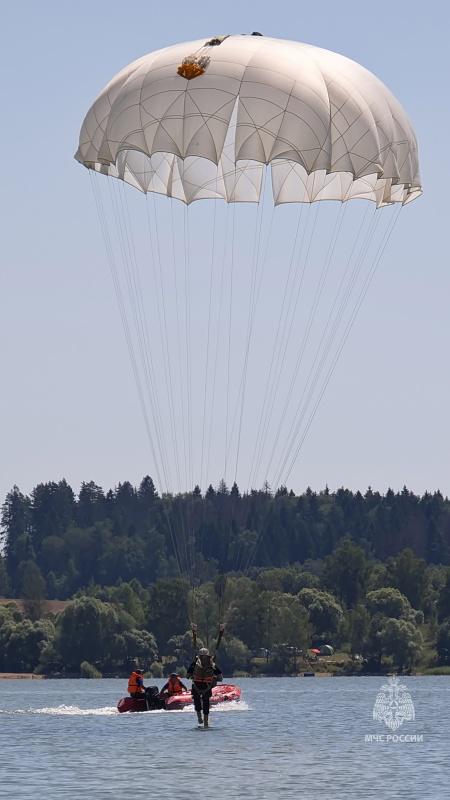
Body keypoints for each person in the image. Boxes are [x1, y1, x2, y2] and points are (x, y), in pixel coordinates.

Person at [187, 647, 223, 727]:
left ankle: (199, 717)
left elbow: (187, 676)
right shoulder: (212, 664)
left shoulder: (195, 664)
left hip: (196, 686)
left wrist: (193, 675)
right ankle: (206, 721)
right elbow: (220, 678)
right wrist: (213, 678)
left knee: (197, 700)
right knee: (206, 702)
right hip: (207, 687)